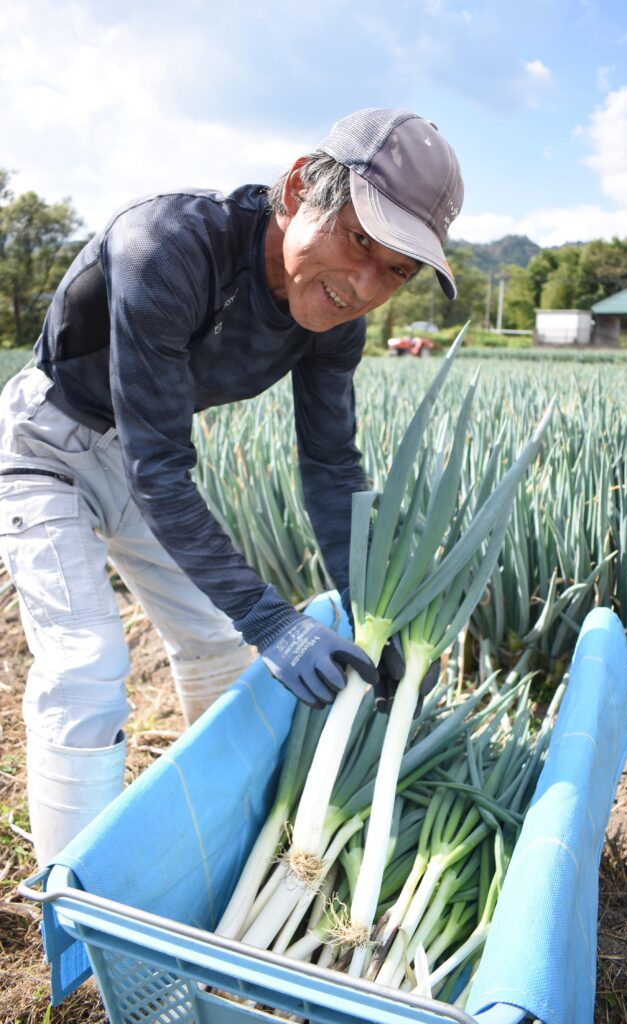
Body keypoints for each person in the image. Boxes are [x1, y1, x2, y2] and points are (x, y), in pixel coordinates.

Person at [0, 108, 464, 868]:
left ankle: (217, 837)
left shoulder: (335, 324)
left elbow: (330, 468)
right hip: (50, 443)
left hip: (137, 461)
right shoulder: (169, 246)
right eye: (359, 241)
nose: (364, 285)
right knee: (87, 666)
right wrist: (271, 620)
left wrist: (377, 612)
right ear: (295, 190)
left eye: (398, 271)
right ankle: (72, 903)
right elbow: (160, 465)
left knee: (215, 647)